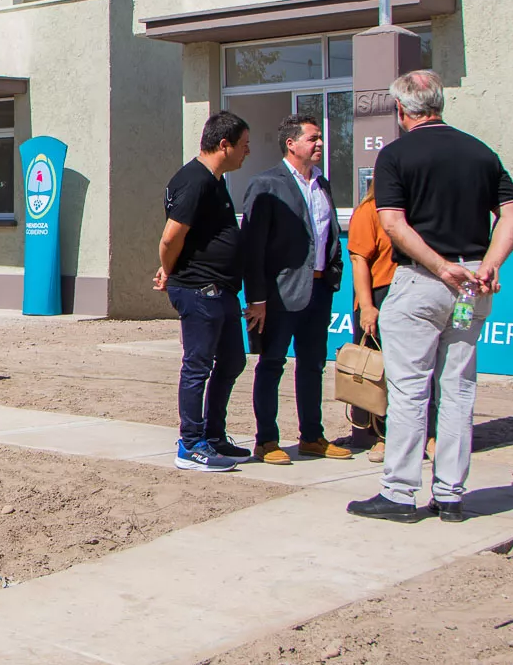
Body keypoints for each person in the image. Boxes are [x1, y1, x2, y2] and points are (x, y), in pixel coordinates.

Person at [348, 70, 513, 524]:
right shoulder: (481, 152)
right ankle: (450, 494)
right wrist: (491, 262)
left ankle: (400, 492)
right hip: (470, 285)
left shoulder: (396, 155)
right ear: (439, 104)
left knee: (409, 390)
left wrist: (438, 265)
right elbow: (512, 212)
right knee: (458, 390)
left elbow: (392, 223)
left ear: (402, 110)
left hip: (422, 282)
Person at [241, 114, 351, 465]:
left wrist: (333, 271)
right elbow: (253, 246)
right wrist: (257, 298)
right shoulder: (266, 184)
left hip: (319, 290)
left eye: (320, 139)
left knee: (313, 364)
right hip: (279, 294)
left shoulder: (323, 184)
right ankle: (267, 440)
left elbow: (328, 234)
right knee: (272, 364)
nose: (319, 144)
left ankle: (312, 436)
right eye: (313, 138)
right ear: (291, 143)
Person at [153, 111, 252, 473]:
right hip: (199, 290)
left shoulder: (215, 180)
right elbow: (170, 238)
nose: (248, 152)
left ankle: (213, 434)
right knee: (198, 366)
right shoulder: (195, 181)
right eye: (243, 145)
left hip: (220, 289)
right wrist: (170, 269)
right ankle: (190, 443)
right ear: (223, 145)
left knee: (232, 361)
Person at [347, 176, 399, 463]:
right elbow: (359, 260)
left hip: (405, 292)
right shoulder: (369, 211)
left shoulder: (410, 210)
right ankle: (377, 435)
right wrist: (367, 306)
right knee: (374, 373)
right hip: (377, 295)